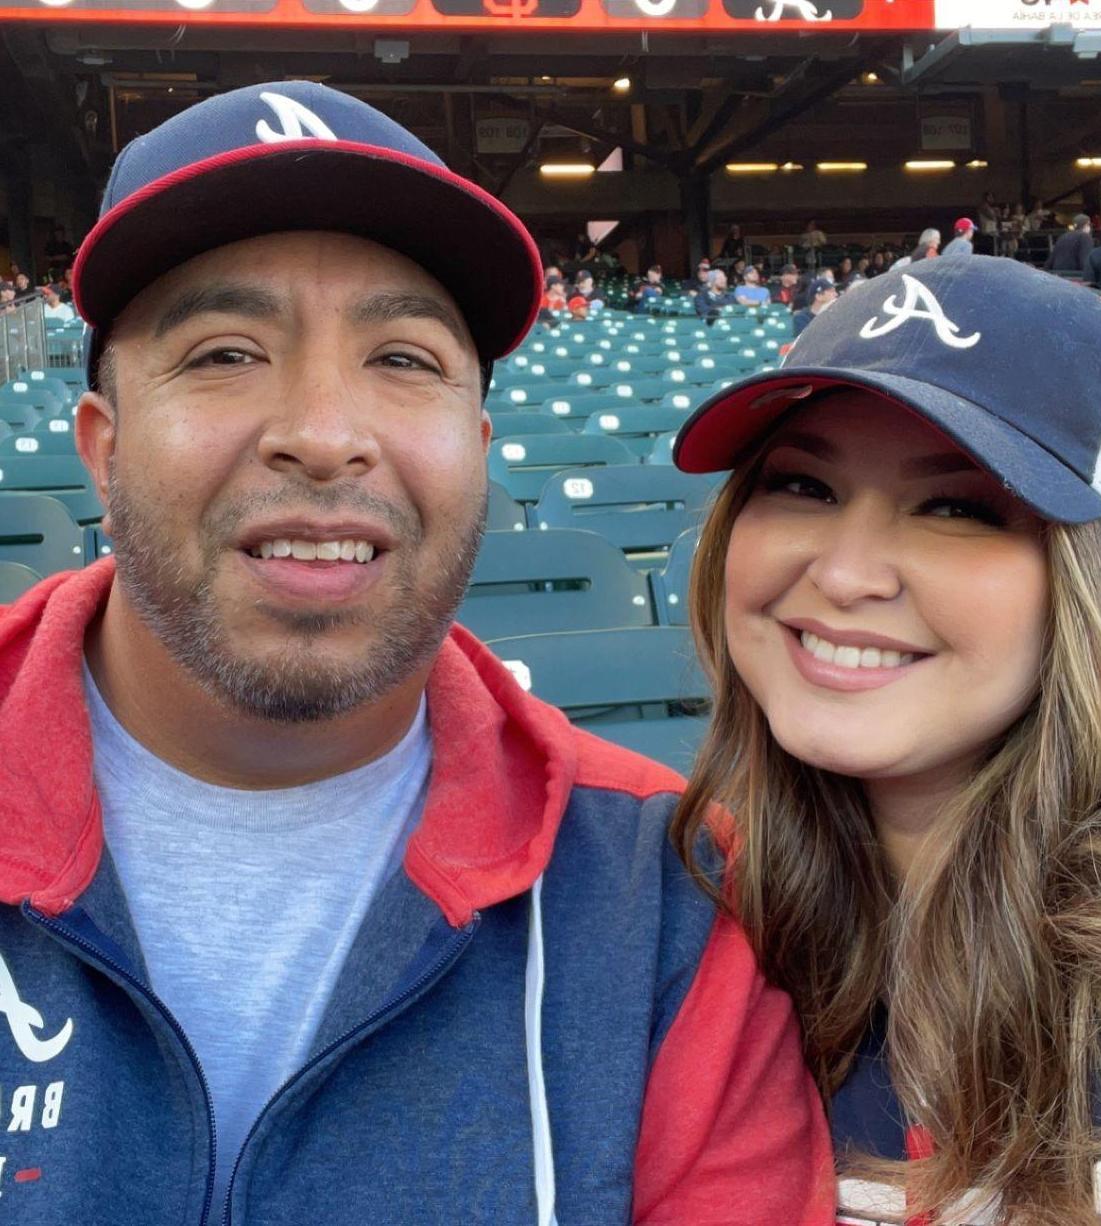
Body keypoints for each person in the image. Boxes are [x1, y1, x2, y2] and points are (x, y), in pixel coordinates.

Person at [0, 80, 835, 1224]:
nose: (326, 435)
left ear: (478, 445)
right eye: (225, 352)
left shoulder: (667, 892)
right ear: (102, 447)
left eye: (402, 358)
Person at [668, 256, 1101, 1224]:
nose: (844, 573)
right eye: (802, 483)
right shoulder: (684, 913)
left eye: (957, 506)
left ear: (1091, 582)